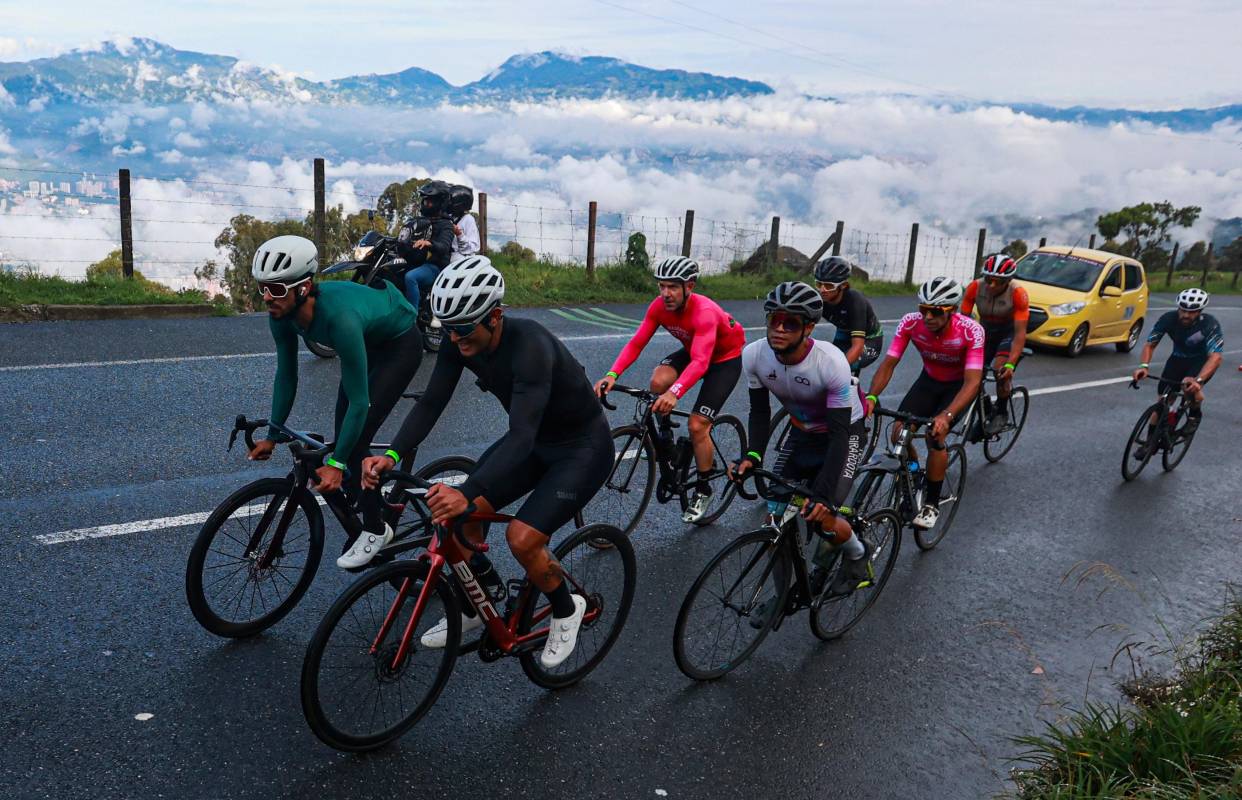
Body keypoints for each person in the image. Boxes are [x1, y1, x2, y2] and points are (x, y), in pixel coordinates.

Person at [360, 256, 614, 669]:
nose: (455, 337)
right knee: (454, 521)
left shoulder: (531, 347)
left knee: (522, 537)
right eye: (447, 328)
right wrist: (390, 454)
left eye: (463, 328)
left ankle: (567, 608)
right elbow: (431, 402)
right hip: (533, 442)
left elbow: (521, 434)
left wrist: (467, 491)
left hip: (580, 449)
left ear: (495, 316)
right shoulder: (460, 338)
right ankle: (477, 604)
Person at [245, 235, 423, 569]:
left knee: (353, 440)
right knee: (346, 434)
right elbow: (286, 375)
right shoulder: (281, 316)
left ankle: (376, 528)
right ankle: (371, 496)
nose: (268, 297)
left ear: (304, 287)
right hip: (368, 341)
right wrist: (273, 433)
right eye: (263, 288)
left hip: (399, 345)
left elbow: (360, 402)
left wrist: (338, 464)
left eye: (278, 289)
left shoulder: (339, 319)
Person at [731, 282, 872, 600]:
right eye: (773, 320)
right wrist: (752, 455)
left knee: (824, 517)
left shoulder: (830, 362)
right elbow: (758, 411)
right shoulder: (754, 355)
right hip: (802, 433)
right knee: (774, 520)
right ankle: (781, 598)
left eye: (790, 322)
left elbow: (838, 436)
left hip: (843, 434)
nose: (778, 329)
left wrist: (822, 495)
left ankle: (857, 553)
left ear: (808, 327)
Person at [593, 256, 746, 522]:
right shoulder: (659, 307)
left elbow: (701, 362)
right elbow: (637, 343)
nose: (666, 294)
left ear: (690, 287)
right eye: (662, 286)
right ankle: (666, 442)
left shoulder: (705, 312)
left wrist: (674, 393)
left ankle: (703, 488)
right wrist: (612, 374)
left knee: (698, 426)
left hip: (723, 360)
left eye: (672, 287)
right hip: (694, 348)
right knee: (657, 382)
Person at [865, 277, 984, 530]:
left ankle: (931, 503)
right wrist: (872, 397)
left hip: (958, 387)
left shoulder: (970, 330)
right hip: (928, 382)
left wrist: (947, 416)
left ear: (951, 310)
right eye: (923, 309)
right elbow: (889, 364)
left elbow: (973, 381)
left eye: (935, 311)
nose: (928, 316)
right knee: (899, 432)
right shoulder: (910, 323)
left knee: (934, 436)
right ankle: (914, 470)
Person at [1131, 287, 1223, 453]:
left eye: (1192, 311)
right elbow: (1150, 344)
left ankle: (1194, 414)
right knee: (1163, 401)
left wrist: (1199, 380)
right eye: (1183, 310)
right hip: (1177, 359)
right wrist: (1143, 366)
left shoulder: (1209, 324)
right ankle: (1150, 441)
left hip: (1200, 362)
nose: (1186, 315)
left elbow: (1215, 357)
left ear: (1200, 311)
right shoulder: (1168, 318)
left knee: (1188, 385)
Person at [960, 253, 1029, 435]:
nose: (991, 285)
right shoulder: (974, 287)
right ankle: (985, 409)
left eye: (998, 281)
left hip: (1008, 332)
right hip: (985, 330)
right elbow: (962, 322)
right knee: (971, 371)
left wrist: (1010, 364)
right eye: (989, 279)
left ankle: (1001, 411)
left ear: (1007, 281)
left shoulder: (1018, 293)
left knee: (1000, 370)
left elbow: (1020, 333)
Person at [813, 256, 884, 375]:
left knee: (841, 369)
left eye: (829, 286)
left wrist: (836, 371)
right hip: (844, 333)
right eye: (819, 284)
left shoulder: (855, 300)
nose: (822, 290)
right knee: (822, 364)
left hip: (869, 339)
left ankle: (854, 392)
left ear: (843, 285)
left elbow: (857, 346)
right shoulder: (819, 300)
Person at [396, 180, 455, 314]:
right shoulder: (421, 221)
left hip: (435, 267)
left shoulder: (446, 225)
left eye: (430, 201)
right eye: (425, 201)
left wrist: (429, 244)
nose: (426, 204)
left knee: (411, 277)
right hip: (418, 262)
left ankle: (412, 316)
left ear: (440, 203)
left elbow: (444, 247)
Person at [449, 184, 480, 261]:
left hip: (461, 263)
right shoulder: (450, 217)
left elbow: (471, 249)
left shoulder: (468, 220)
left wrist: (459, 234)